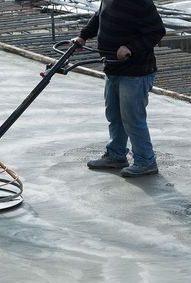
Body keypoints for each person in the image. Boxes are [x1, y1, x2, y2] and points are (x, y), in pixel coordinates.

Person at [73, 0, 166, 177]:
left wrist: (130, 47)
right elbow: (100, 16)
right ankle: (116, 156)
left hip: (136, 72)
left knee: (132, 118)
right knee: (114, 114)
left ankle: (146, 161)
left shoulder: (142, 2)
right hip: (112, 67)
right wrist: (83, 36)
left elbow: (157, 31)